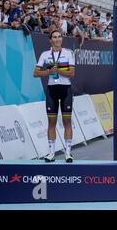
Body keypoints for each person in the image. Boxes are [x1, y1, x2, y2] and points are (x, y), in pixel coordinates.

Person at [34, 30, 76, 163]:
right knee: (51, 123)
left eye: (59, 37)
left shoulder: (68, 53)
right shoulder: (45, 55)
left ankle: (68, 153)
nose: (57, 39)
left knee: (67, 122)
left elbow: (72, 73)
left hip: (66, 90)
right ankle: (51, 153)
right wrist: (48, 71)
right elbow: (35, 73)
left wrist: (58, 71)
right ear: (50, 40)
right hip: (52, 90)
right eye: (54, 37)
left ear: (61, 39)